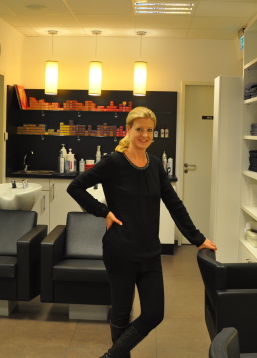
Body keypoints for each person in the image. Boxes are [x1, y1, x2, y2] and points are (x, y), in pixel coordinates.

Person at [67, 106, 217, 358]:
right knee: (121, 313)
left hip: (149, 253)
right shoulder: (113, 162)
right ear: (128, 130)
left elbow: (174, 205)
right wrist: (103, 212)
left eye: (149, 130)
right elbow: (76, 187)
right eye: (139, 129)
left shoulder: (155, 165)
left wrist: (198, 239)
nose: (145, 135)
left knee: (154, 313)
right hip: (120, 250)